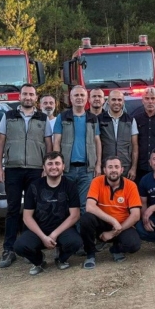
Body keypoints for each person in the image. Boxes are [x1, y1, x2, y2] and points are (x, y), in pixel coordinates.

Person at [0, 84, 53, 268]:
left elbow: (48, 144)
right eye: (25, 94)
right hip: (13, 168)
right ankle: (9, 249)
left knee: (33, 210)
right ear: (19, 96)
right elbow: (1, 142)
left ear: (35, 98)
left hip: (36, 169)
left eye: (31, 94)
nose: (28, 97)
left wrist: (47, 166)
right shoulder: (8, 116)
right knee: (13, 209)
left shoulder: (42, 118)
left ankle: (29, 247)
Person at [13, 152, 82, 275]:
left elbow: (75, 215)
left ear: (63, 166)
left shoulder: (70, 186)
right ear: (44, 167)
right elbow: (27, 217)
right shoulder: (34, 186)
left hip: (62, 230)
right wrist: (44, 237)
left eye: (57, 163)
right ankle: (39, 261)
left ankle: (61, 259)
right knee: (19, 246)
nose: (54, 167)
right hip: (39, 229)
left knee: (76, 242)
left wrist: (54, 234)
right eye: (49, 164)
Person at [79, 156, 142, 269]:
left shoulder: (131, 185)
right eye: (110, 167)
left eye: (116, 167)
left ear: (122, 170)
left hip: (122, 224)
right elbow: (89, 207)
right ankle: (90, 254)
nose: (113, 170)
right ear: (104, 170)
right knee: (86, 219)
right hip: (102, 223)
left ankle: (115, 249)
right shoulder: (96, 181)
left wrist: (113, 232)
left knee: (134, 245)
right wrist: (113, 221)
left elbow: (136, 215)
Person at [52, 85, 102, 213]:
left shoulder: (93, 118)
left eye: (82, 95)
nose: (79, 98)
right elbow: (56, 141)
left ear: (87, 99)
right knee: (65, 202)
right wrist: (58, 165)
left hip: (87, 170)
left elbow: (97, 142)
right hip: (68, 169)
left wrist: (98, 165)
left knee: (84, 205)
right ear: (71, 99)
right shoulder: (62, 117)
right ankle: (67, 232)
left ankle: (81, 232)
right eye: (76, 95)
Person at [99, 89, 139, 180]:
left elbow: (135, 146)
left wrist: (133, 168)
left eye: (119, 100)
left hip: (125, 167)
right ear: (108, 101)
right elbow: (96, 145)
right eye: (113, 99)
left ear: (123, 101)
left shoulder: (130, 120)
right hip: (106, 167)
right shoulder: (100, 119)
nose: (117, 102)